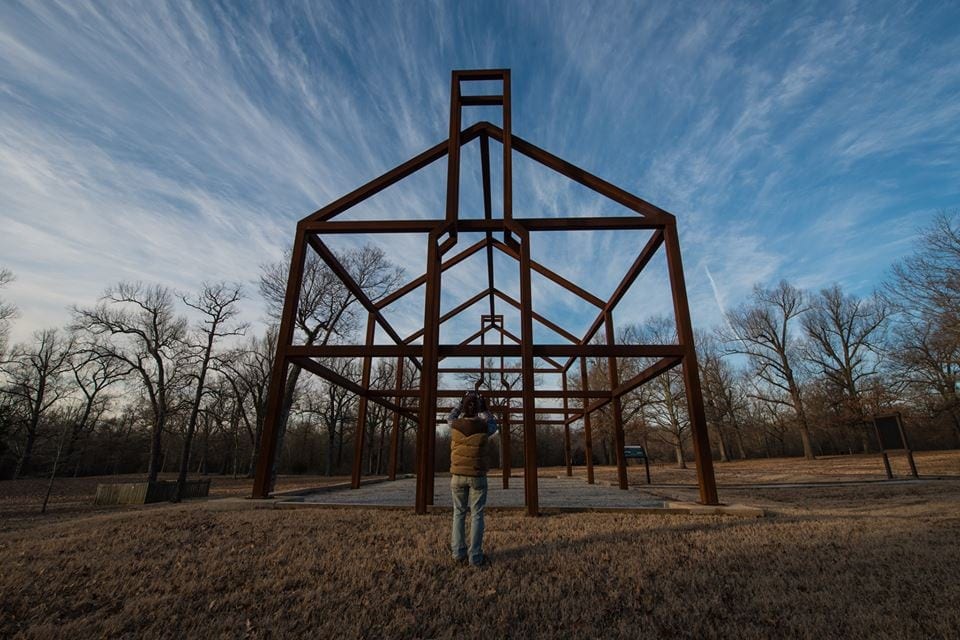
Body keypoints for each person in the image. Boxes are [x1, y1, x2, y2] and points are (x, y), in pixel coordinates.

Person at [447, 390, 498, 567]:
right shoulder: (485, 426)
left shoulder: (454, 424)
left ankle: (458, 553)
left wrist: (461, 404)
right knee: (477, 515)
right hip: (477, 476)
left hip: (457, 477)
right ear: (477, 409)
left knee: (458, 513)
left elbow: (450, 416)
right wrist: (484, 408)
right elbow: (493, 423)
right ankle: (475, 557)